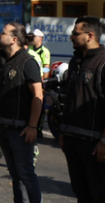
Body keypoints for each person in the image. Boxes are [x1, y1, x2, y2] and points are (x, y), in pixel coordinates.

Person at [0, 22, 43, 203]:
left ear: (14, 39)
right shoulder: (4, 61)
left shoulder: (28, 62)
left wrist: (32, 126)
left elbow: (38, 95)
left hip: (20, 130)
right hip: (2, 126)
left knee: (26, 174)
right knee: (15, 175)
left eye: (3, 33)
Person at [60, 16, 105, 202]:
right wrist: (63, 131)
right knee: (81, 193)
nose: (71, 37)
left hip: (94, 144)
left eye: (75, 33)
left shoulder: (102, 63)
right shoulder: (75, 62)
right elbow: (70, 99)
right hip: (72, 140)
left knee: (98, 195)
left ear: (90, 35)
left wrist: (104, 140)